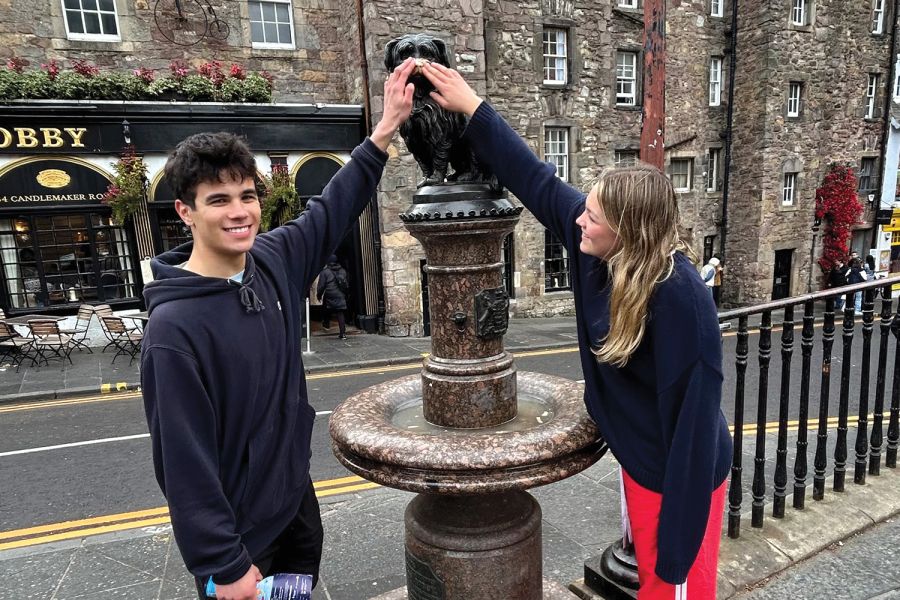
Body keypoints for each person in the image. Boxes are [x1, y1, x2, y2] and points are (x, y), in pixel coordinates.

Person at [421, 62, 732, 599]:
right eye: (584, 210)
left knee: (674, 590)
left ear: (627, 231)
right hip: (640, 459)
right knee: (649, 586)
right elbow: (535, 179)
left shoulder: (682, 299)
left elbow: (694, 429)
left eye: (592, 216)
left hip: (683, 479)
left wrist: (679, 549)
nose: (579, 221)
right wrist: (471, 106)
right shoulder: (596, 249)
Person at [140, 58, 414, 600]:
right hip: (240, 541)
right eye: (218, 200)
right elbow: (183, 462)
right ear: (185, 212)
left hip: (294, 505)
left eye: (247, 196)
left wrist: (384, 129)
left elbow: (332, 209)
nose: (239, 212)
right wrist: (223, 563)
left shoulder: (271, 260)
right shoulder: (173, 329)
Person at [316, 255, 349, 339]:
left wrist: (319, 295)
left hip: (330, 293)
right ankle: (343, 333)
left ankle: (326, 324)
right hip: (340, 294)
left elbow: (321, 286)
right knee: (340, 312)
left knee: (326, 308)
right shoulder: (342, 270)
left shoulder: (325, 272)